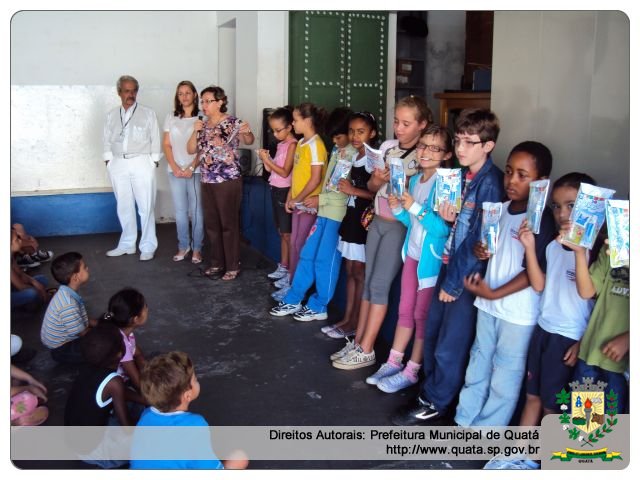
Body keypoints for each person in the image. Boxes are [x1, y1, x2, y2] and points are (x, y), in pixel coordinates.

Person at [391, 108, 504, 425]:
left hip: (463, 279)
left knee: (449, 345)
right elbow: (459, 229)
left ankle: (436, 401)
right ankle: (430, 392)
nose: (462, 148)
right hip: (448, 267)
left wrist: (453, 285)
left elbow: (481, 243)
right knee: (435, 334)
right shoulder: (463, 177)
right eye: (459, 141)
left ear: (488, 145)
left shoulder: (490, 183)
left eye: (470, 142)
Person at [484, 172, 598, 470]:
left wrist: (583, 342)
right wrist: (530, 248)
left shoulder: (594, 252)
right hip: (543, 330)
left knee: (553, 405)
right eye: (557, 206)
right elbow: (539, 284)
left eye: (571, 206)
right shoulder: (551, 246)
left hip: (568, 337)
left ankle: (543, 462)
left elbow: (593, 298)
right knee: (532, 395)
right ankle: (515, 455)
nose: (563, 214)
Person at [454, 141, 556, 427]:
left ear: (542, 182)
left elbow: (532, 274)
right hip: (488, 305)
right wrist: (480, 252)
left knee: (505, 376)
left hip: (518, 315)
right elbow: (488, 250)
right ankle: (464, 420)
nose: (511, 180)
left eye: (523, 175)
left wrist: (495, 292)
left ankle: (486, 431)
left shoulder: (542, 221)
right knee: (478, 363)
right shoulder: (499, 209)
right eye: (509, 172)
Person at [331, 96, 431, 370]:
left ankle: (367, 347)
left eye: (406, 123)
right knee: (368, 284)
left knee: (379, 286)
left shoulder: (424, 157)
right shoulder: (389, 149)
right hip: (377, 220)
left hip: (399, 226)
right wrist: (380, 178)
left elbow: (421, 195)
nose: (399, 128)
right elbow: (375, 187)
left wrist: (403, 182)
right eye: (396, 121)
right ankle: (359, 340)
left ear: (422, 125)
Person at [367, 126, 453, 392]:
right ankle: (394, 361)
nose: (426, 151)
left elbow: (442, 230)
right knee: (404, 310)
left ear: (447, 154)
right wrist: (398, 207)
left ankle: (412, 370)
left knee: (420, 315)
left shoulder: (447, 184)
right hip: (412, 255)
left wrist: (413, 206)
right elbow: (410, 220)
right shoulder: (415, 181)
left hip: (431, 262)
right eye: (424, 146)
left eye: (435, 147)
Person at [269, 108, 360, 320]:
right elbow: (330, 183)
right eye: (334, 137)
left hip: (337, 214)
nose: (336, 141)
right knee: (307, 254)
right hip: (323, 211)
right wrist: (321, 201)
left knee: (325, 261)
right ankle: (293, 298)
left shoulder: (353, 155)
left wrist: (321, 199)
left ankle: (319, 305)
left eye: (339, 137)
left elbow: (342, 191)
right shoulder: (338, 151)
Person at [562, 205, 629, 413]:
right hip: (591, 355)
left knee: (608, 438)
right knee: (584, 431)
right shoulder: (615, 246)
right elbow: (587, 291)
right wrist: (580, 252)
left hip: (621, 368)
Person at [130, 351, 248, 469]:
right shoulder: (195, 425)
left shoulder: (146, 415)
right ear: (187, 395)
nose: (197, 381)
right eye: (195, 379)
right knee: (239, 458)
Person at [187, 85, 254, 281]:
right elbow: (192, 149)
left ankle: (232, 265)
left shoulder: (232, 122)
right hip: (207, 179)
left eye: (208, 101)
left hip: (227, 180)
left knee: (228, 224)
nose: (204, 105)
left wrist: (247, 130)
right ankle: (216, 262)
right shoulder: (203, 125)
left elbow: (249, 140)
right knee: (212, 224)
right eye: (202, 101)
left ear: (220, 102)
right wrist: (194, 131)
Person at [324, 112, 378, 337]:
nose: (355, 136)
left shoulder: (375, 160)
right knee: (350, 270)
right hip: (351, 217)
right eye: (352, 131)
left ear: (372, 133)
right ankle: (347, 318)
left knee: (359, 272)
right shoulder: (353, 156)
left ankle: (355, 322)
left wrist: (353, 190)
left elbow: (379, 195)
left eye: (361, 131)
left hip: (364, 222)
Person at [269, 102, 328, 299]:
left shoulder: (316, 145)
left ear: (308, 121)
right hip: (297, 202)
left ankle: (298, 289)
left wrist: (298, 199)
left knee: (301, 245)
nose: (293, 124)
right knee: (294, 243)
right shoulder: (303, 144)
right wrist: (290, 197)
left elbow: (315, 178)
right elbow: (295, 177)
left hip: (308, 205)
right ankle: (293, 282)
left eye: (295, 120)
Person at [65, 323, 145, 468]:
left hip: (75, 441)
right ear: (120, 354)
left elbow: (118, 392)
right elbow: (127, 427)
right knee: (148, 440)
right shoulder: (114, 382)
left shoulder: (88, 367)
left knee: (137, 405)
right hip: (92, 451)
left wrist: (143, 399)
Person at [103, 75, 161, 261]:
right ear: (119, 92)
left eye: (134, 90)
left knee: (146, 206)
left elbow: (155, 137)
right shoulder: (112, 115)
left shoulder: (148, 113)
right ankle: (127, 244)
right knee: (124, 205)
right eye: (127, 91)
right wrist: (109, 161)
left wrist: (153, 161)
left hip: (141, 161)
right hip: (118, 162)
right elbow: (106, 139)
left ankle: (147, 246)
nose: (131, 94)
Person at [163, 80, 204, 264]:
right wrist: (175, 167)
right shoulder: (171, 117)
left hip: (195, 171)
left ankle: (197, 249)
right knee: (180, 211)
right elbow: (167, 144)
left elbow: (204, 148)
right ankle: (183, 246)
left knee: (197, 212)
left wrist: (191, 167)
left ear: (195, 94)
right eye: (181, 93)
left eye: (188, 92)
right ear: (177, 97)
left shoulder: (202, 117)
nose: (184, 96)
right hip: (175, 171)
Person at [257, 107, 298, 283]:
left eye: (278, 130)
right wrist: (266, 161)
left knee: (288, 234)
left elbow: (284, 172)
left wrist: (268, 161)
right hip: (275, 189)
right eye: (272, 130)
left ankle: (289, 270)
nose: (275, 134)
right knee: (282, 233)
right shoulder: (281, 145)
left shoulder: (293, 145)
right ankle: (283, 265)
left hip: (284, 191)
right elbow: (273, 170)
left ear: (290, 127)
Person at [41, 252, 97, 363]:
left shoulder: (66, 292)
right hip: (62, 350)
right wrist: (103, 332)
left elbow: (80, 318)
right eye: (84, 267)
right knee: (102, 348)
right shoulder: (68, 304)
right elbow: (82, 333)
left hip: (64, 342)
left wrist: (97, 323)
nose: (87, 268)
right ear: (76, 277)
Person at [103, 288, 149, 391]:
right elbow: (137, 383)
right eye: (145, 307)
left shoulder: (123, 330)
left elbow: (137, 352)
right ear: (136, 319)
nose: (147, 309)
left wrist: (144, 367)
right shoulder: (122, 344)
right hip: (116, 385)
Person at [10, 226, 50, 308]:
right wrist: (40, 291)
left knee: (42, 279)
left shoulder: (11, 256)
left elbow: (20, 274)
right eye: (17, 240)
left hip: (13, 286)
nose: (20, 241)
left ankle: (29, 301)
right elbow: (20, 286)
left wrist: (34, 282)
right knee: (32, 293)